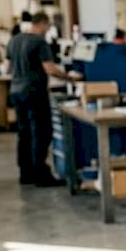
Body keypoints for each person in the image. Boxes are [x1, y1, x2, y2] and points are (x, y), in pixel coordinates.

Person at [8, 12, 78, 187]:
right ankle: (41, 175)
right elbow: (50, 69)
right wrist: (70, 78)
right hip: (34, 92)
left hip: (16, 91)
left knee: (24, 133)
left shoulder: (14, 40)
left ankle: (26, 174)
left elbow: (8, 66)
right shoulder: (39, 42)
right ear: (43, 24)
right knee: (41, 132)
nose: (48, 31)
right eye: (48, 27)